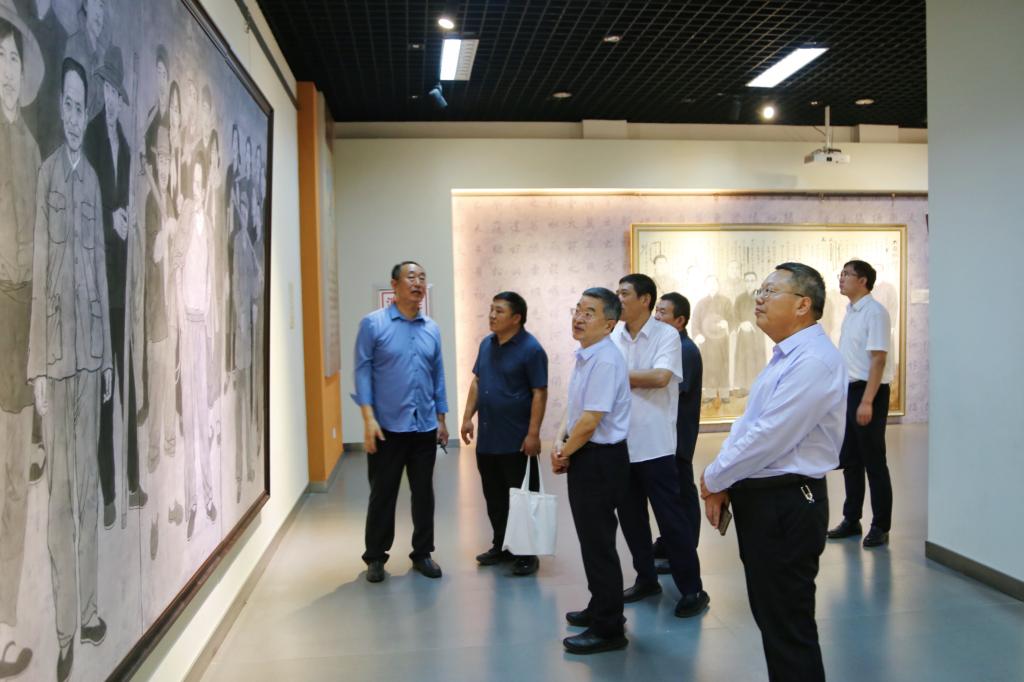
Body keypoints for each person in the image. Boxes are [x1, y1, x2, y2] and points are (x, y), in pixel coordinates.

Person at [700, 262, 846, 682]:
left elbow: (769, 436)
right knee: (773, 617)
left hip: (787, 503)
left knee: (788, 625)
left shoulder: (813, 361)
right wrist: (723, 477)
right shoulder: (787, 355)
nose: (759, 299)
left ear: (803, 305)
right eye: (759, 291)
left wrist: (713, 478)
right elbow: (749, 425)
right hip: (766, 500)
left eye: (770, 291)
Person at [28, 56, 111, 682]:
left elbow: (102, 272)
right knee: (59, 499)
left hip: (89, 364)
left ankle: (87, 612)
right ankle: (62, 633)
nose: (77, 116)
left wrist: (106, 360)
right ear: (60, 108)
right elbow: (38, 276)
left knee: (88, 489)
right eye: (70, 105)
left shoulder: (94, 184)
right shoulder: (48, 175)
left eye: (84, 106)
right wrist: (36, 370)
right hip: (56, 366)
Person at [610, 274, 708, 618]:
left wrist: (615, 375)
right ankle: (646, 578)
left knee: (671, 520)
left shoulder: (667, 336)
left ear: (645, 299)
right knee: (632, 520)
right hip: (621, 444)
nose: (618, 299)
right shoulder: (614, 336)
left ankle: (693, 589)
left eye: (624, 293)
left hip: (656, 446)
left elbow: (661, 377)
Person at [353, 261, 448, 583]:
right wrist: (368, 419)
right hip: (387, 428)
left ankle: (423, 553)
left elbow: (438, 375)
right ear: (394, 285)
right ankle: (375, 557)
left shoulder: (431, 328)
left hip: (424, 427)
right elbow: (362, 372)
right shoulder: (373, 324)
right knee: (383, 494)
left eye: (422, 277)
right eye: (411, 277)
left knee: (424, 494)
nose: (418, 282)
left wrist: (442, 418)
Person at [85, 44, 146, 526]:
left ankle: (132, 482)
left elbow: (129, 204)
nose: (110, 97)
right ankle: (108, 493)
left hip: (122, 286)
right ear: (101, 90)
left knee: (127, 386)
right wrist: (112, 221)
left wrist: (128, 220)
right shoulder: (88, 138)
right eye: (106, 88)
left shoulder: (126, 145)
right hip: (97, 286)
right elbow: (88, 209)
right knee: (105, 395)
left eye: (115, 90)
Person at [552, 287, 631, 655]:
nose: (578, 318)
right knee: (592, 541)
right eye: (578, 309)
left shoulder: (605, 360)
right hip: (588, 455)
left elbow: (590, 421)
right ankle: (601, 605)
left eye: (589, 312)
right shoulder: (587, 355)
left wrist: (564, 453)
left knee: (599, 545)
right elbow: (576, 411)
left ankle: (609, 628)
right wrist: (561, 441)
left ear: (609, 324)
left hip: (600, 460)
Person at [0, 3, 42, 674]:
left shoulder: (31, 147)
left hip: (21, 325)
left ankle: (4, 624)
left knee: (12, 485)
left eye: (10, 58)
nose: (4, 70)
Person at [460, 291, 548, 576]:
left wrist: (533, 434)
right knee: (495, 497)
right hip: (488, 439)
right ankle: (501, 545)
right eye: (491, 309)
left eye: (499, 311)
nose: (492, 315)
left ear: (516, 318)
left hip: (516, 440)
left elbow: (539, 392)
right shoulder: (487, 344)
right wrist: (467, 417)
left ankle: (527, 553)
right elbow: (477, 381)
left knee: (523, 499)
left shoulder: (532, 349)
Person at [828, 260, 894, 548]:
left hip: (869, 392)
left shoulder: (875, 313)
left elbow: (878, 359)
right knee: (851, 461)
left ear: (863, 280)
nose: (841, 278)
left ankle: (880, 525)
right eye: (841, 274)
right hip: (849, 391)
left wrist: (867, 401)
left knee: (874, 461)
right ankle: (851, 518)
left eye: (847, 274)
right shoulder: (851, 311)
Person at [652, 292, 703, 570]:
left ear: (680, 320)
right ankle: (669, 542)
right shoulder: (670, 346)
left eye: (663, 313)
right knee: (670, 494)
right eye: (656, 311)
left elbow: (670, 390)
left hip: (678, 435)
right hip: (666, 433)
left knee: (682, 493)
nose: (656, 317)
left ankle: (684, 550)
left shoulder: (685, 350)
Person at [692, 274, 733, 407]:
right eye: (710, 283)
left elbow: (732, 318)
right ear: (706, 286)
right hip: (707, 341)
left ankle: (724, 393)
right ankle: (710, 393)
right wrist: (697, 334)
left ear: (718, 285)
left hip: (722, 341)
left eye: (715, 283)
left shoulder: (726, 301)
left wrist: (726, 323)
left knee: (723, 365)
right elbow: (695, 320)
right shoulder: (701, 303)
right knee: (708, 366)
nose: (713, 286)